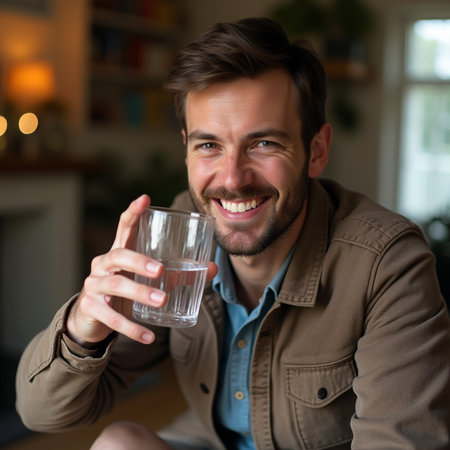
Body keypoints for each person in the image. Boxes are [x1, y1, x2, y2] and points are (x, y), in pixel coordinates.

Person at [16, 17, 450, 450]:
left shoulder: (387, 264)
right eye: (209, 145)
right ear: (186, 148)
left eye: (263, 144)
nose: (233, 179)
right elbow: (42, 413)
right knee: (118, 443)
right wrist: (81, 330)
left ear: (316, 152)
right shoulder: (178, 239)